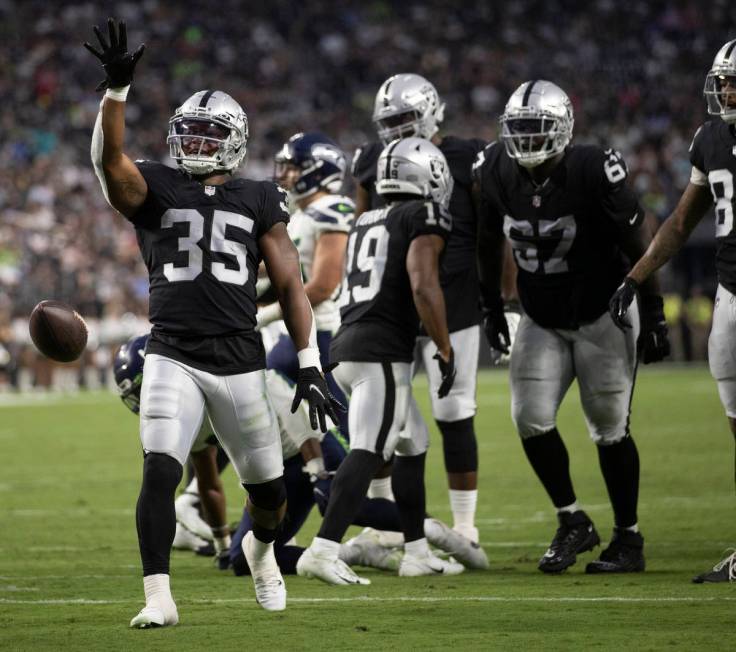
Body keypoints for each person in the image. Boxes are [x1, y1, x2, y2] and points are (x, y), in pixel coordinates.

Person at [84, 18, 340, 626]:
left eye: (208, 134)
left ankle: (259, 547)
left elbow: (291, 286)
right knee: (159, 467)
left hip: (241, 360)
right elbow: (107, 161)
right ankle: (158, 598)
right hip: (172, 353)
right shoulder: (157, 185)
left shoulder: (259, 198)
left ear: (234, 141)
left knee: (270, 495)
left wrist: (309, 364)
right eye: (189, 133)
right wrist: (115, 93)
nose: (196, 143)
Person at [475, 80, 670, 575]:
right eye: (518, 130)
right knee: (529, 418)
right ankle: (572, 520)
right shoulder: (494, 167)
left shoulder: (593, 168)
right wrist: (493, 307)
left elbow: (639, 241)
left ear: (563, 129)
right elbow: (486, 242)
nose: (526, 140)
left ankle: (628, 539)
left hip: (602, 312)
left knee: (608, 428)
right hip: (541, 314)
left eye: (537, 130)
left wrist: (654, 309)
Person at [297, 137, 465, 584]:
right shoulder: (422, 215)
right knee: (370, 449)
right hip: (381, 352)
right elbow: (423, 284)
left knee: (413, 443)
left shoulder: (365, 217)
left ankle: (416, 552)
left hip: (350, 343)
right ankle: (323, 548)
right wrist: (445, 348)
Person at [609, 39, 736, 583]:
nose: (727, 90)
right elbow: (681, 222)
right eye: (724, 81)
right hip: (730, 292)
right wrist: (635, 276)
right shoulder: (711, 138)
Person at [351, 74, 486, 544]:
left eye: (406, 119)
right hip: (395, 307)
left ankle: (465, 524)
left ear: (430, 111)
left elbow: (489, 230)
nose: (397, 130)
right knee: (386, 419)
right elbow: (362, 226)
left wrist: (499, 299)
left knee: (453, 412)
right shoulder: (371, 160)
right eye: (389, 122)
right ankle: (385, 519)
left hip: (455, 299)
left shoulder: (467, 156)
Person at [259, 132, 354, 438]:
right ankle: (317, 471)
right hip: (303, 328)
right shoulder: (301, 215)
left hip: (326, 329)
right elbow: (284, 273)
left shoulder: (332, 208)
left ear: (318, 170)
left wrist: (265, 315)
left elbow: (323, 285)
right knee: (276, 399)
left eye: (292, 167)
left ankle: (363, 479)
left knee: (337, 418)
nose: (283, 174)